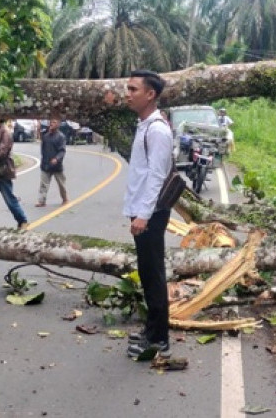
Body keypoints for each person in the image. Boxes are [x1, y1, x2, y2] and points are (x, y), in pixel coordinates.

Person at [123, 70, 173, 359]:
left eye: (133, 89)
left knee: (153, 274)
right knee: (146, 272)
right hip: (142, 210)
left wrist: (143, 215)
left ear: (150, 94)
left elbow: (156, 176)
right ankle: (152, 330)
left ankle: (159, 339)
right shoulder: (144, 125)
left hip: (150, 212)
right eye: (127, 88)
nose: (127, 94)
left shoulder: (157, 130)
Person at [35, 116, 68, 207]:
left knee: (61, 184)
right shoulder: (46, 136)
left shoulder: (61, 137)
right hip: (46, 164)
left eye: (54, 122)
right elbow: (43, 150)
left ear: (58, 124)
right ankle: (42, 201)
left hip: (57, 165)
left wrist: (56, 159)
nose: (51, 124)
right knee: (43, 184)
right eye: (51, 122)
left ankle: (65, 199)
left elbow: (62, 151)